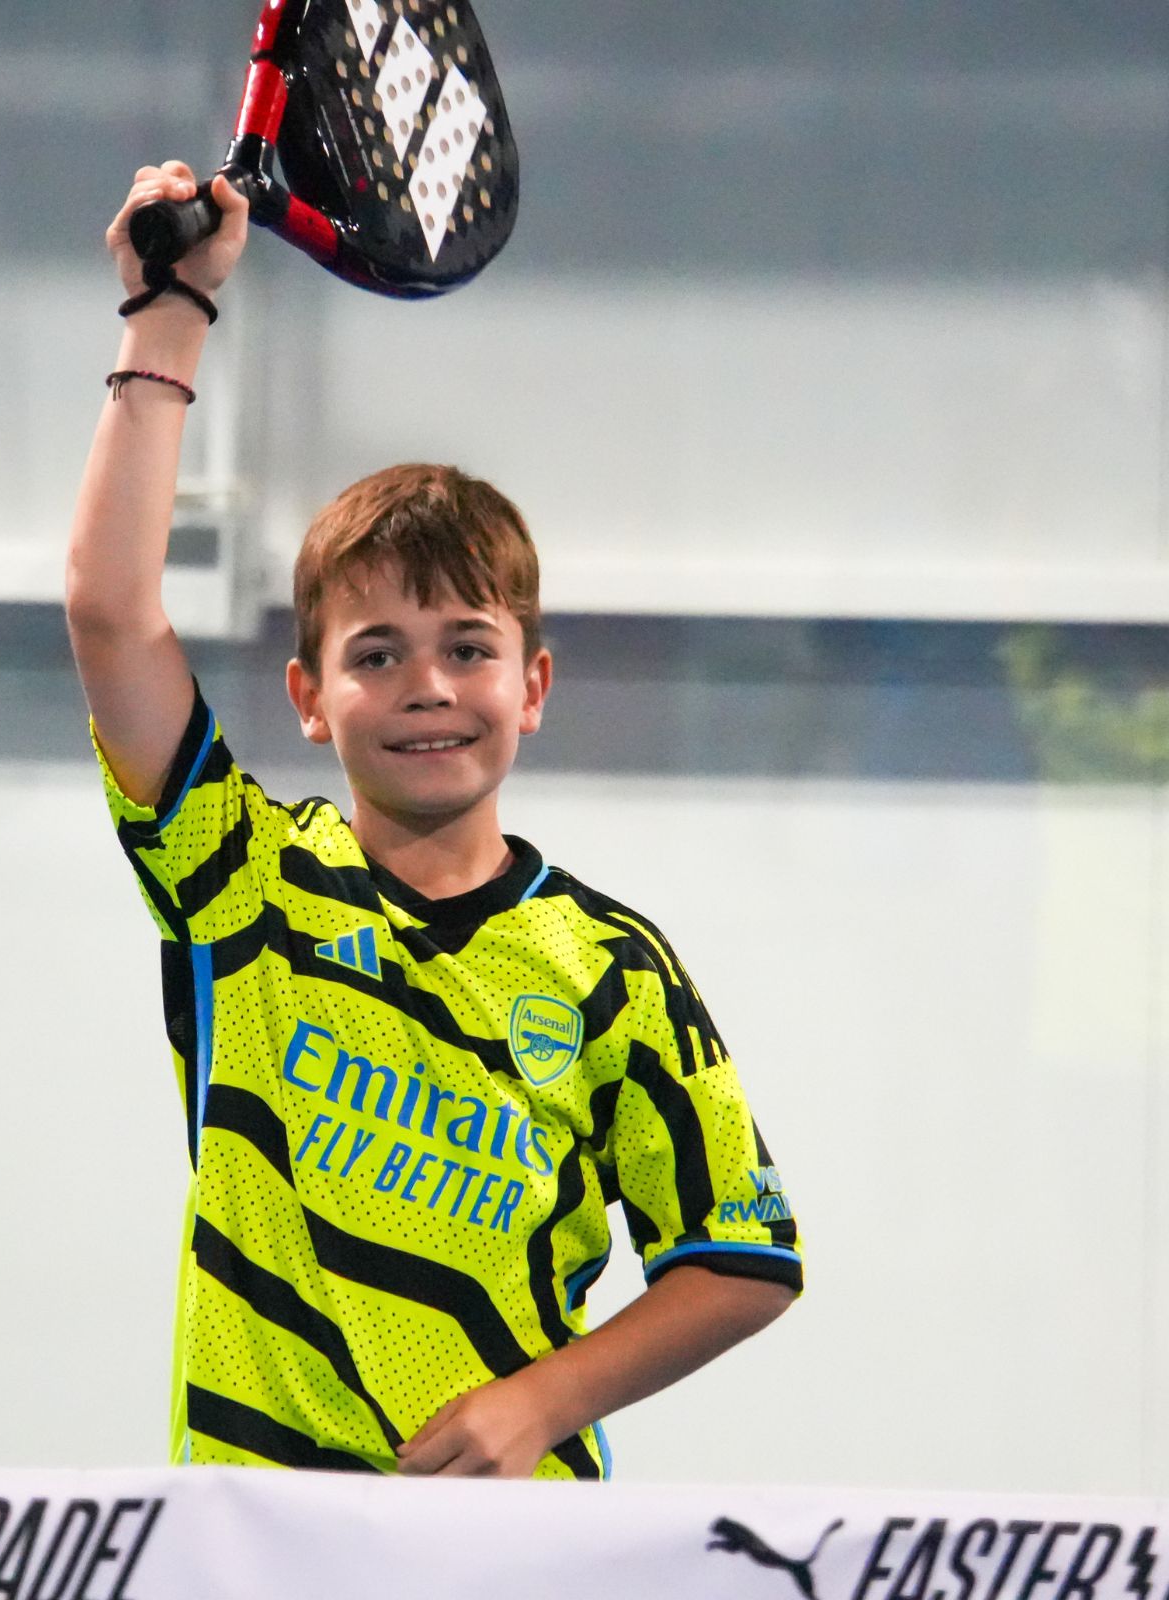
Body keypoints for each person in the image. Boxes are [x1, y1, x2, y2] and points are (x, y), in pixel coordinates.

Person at [67, 161, 801, 1479]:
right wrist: (166, 318)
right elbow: (113, 612)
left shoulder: (613, 972)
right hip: (252, 1547)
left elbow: (745, 1257)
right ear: (307, 696)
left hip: (517, 1558)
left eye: (469, 648)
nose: (427, 689)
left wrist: (542, 1404)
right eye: (377, 654)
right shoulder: (242, 882)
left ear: (534, 685)